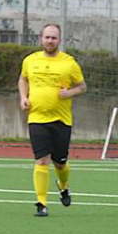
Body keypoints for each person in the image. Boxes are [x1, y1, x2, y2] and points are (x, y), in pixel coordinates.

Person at [18, 23, 87, 217]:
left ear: (59, 40)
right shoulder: (30, 60)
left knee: (60, 163)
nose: (50, 41)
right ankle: (41, 203)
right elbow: (22, 79)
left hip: (61, 120)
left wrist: (69, 92)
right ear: (41, 38)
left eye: (54, 38)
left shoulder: (69, 63)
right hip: (37, 118)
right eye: (47, 37)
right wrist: (23, 97)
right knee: (41, 160)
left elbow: (82, 87)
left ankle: (63, 185)